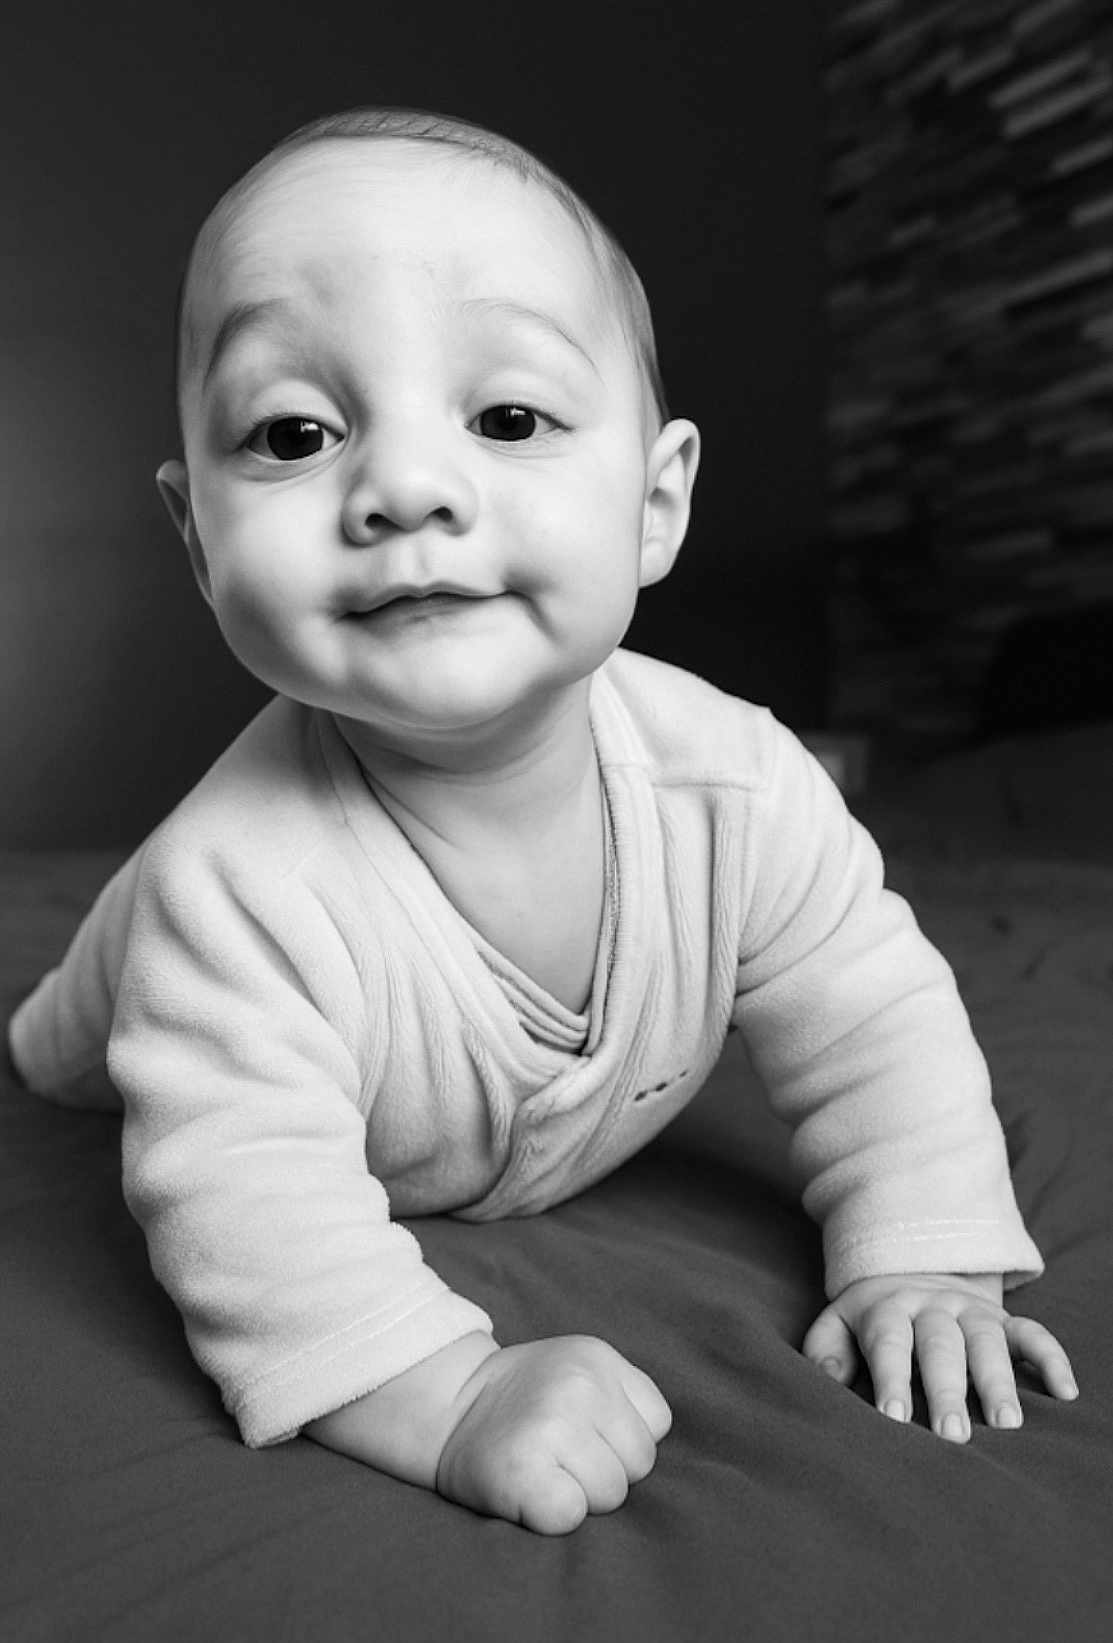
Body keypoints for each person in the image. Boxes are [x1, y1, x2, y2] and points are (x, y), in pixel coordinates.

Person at [7, 106, 1077, 1536]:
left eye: (507, 417)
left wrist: (923, 1255)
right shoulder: (229, 894)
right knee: (78, 1033)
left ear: (653, 500)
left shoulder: (739, 788)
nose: (404, 489)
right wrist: (445, 1397)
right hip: (164, 953)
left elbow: (873, 1013)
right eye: (294, 432)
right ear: (199, 542)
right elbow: (239, 1200)